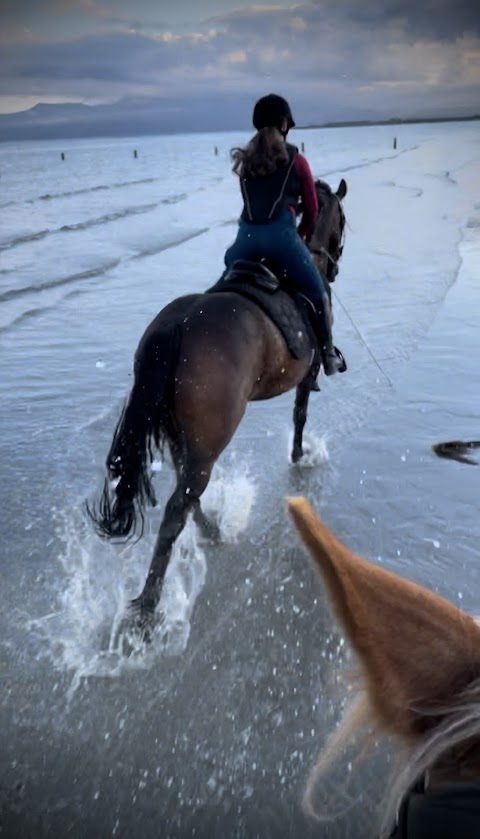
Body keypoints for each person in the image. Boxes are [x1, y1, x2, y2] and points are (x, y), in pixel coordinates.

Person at [224, 93, 346, 377]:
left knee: (223, 285)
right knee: (319, 293)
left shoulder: (245, 161)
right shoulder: (297, 160)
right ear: (284, 124)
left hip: (244, 241)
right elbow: (313, 209)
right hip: (282, 239)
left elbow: (251, 205)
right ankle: (328, 354)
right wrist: (300, 237)